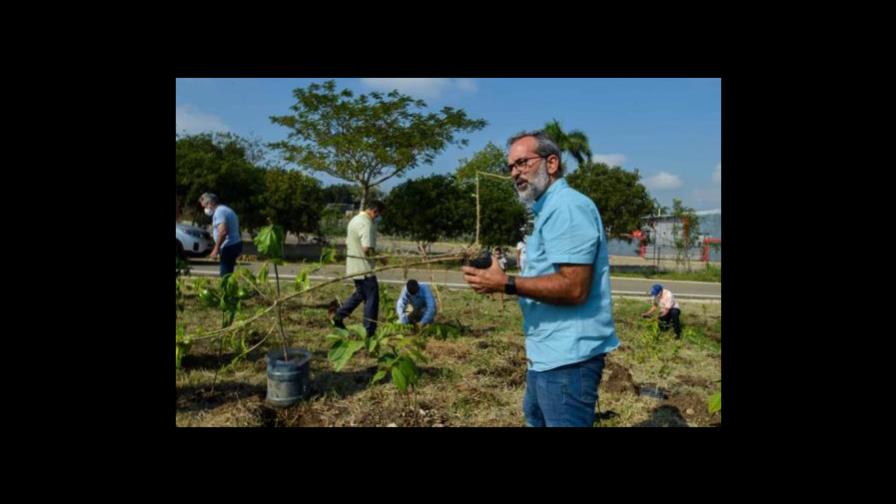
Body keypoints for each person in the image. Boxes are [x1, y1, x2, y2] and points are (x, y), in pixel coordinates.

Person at [462, 130, 619, 427]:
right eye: (510, 167)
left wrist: (505, 283)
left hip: (569, 359)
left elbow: (574, 288)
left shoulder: (567, 208)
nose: (515, 173)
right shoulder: (545, 210)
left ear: (551, 163)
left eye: (522, 162)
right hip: (547, 353)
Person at [331, 200, 386, 337]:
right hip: (364, 269)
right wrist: (380, 258)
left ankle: (337, 317)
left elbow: (348, 241)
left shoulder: (355, 219)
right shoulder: (366, 223)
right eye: (379, 214)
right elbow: (366, 249)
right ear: (375, 211)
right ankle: (369, 332)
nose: (378, 218)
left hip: (354, 267)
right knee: (372, 300)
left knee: (360, 294)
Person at [199, 192, 242, 277]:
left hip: (228, 246)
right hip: (234, 244)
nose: (205, 209)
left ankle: (227, 290)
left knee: (225, 275)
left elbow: (222, 232)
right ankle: (229, 289)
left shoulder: (219, 212)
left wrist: (216, 249)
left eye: (205, 206)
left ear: (210, 203)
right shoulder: (225, 209)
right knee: (228, 273)